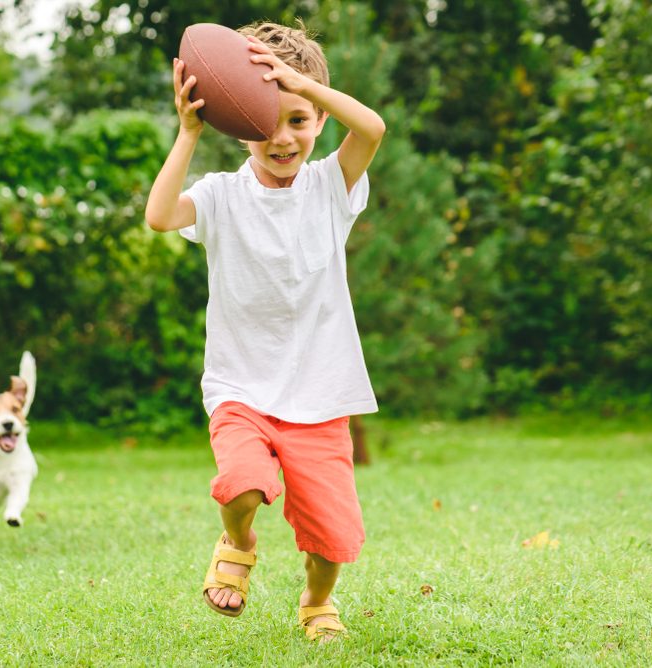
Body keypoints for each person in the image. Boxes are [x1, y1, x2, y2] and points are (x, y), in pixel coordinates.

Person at [144, 20, 385, 642]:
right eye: (266, 122)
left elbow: (374, 127)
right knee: (243, 485)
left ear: (319, 122)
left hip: (322, 395)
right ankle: (236, 542)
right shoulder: (221, 196)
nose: (283, 137)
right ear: (240, 124)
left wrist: (301, 84)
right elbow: (159, 215)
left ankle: (316, 601)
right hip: (240, 388)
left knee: (332, 537)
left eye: (298, 120)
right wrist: (188, 131)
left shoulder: (333, 186)